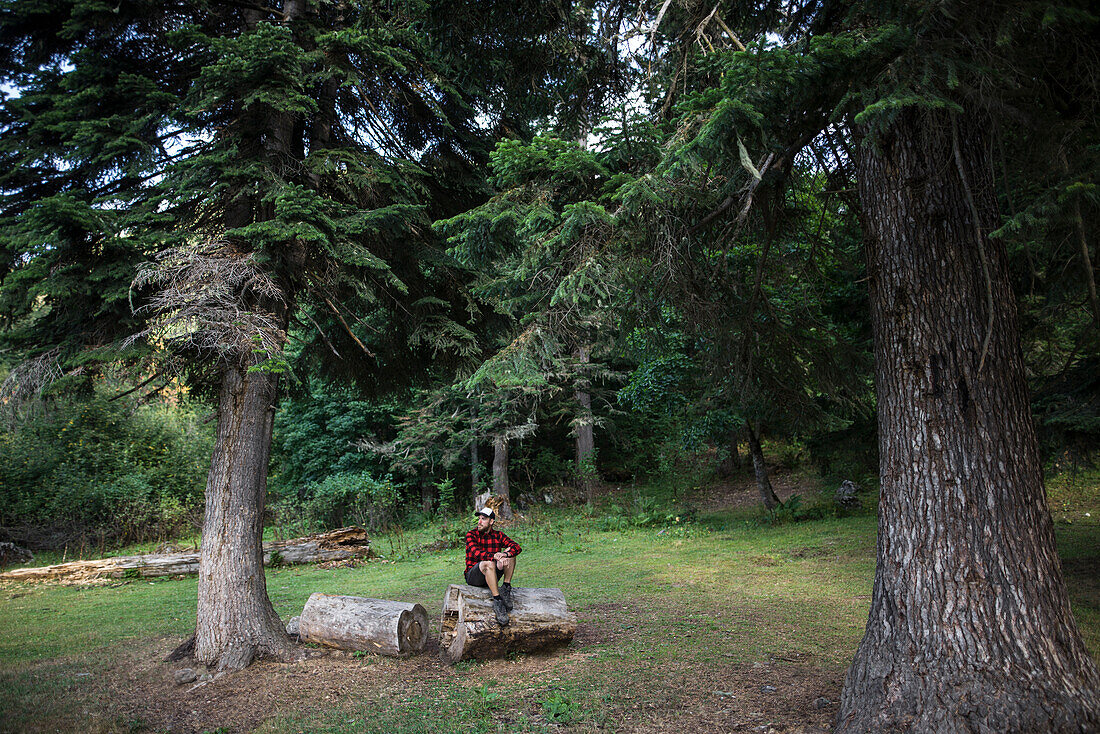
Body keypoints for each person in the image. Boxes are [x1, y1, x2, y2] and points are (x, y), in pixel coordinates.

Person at [464, 507, 521, 626]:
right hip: (474, 575)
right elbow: (477, 553)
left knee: (511, 553)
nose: (479, 522)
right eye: (479, 519)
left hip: (492, 573)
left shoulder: (498, 535)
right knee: (488, 563)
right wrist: (495, 556)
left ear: (491, 522)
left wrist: (505, 554)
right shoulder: (471, 535)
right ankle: (497, 600)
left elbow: (517, 547)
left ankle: (506, 587)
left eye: (483, 519)